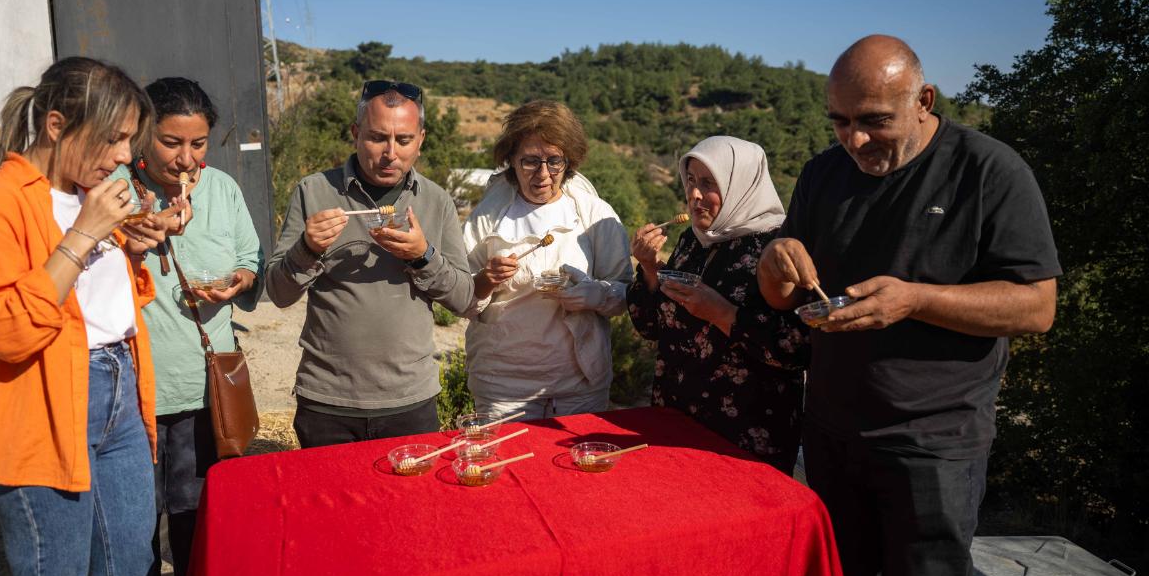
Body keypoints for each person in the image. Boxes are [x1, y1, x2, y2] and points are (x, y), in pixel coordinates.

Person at [756, 35, 1061, 576]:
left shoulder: (988, 170)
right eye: (840, 122)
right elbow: (780, 296)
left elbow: (1036, 307)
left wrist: (915, 300)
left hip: (934, 444)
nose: (855, 140)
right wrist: (776, 263)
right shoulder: (824, 173)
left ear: (924, 99)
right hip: (831, 431)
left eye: (874, 121)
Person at [0, 57, 168, 576]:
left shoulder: (90, 195)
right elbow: (0, 330)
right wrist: (82, 237)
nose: (124, 156)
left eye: (128, 140)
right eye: (114, 139)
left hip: (120, 388)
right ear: (56, 125)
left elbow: (103, 308)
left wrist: (130, 252)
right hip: (40, 409)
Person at [266, 80, 475, 448]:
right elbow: (278, 294)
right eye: (378, 137)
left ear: (421, 139)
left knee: (407, 507)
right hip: (328, 400)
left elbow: (463, 299)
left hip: (409, 400)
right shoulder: (314, 191)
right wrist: (307, 248)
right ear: (356, 134)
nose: (390, 152)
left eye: (404, 140)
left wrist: (422, 255)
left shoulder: (436, 201)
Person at [122, 77, 263, 576]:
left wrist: (236, 283)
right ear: (140, 136)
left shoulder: (221, 188)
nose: (186, 160)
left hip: (204, 390)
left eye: (198, 144)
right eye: (171, 143)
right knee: (134, 523)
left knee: (195, 516)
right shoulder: (113, 188)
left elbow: (251, 259)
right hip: (132, 391)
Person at [627, 136, 808, 473]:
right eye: (691, 181)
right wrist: (650, 268)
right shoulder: (692, 242)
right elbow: (650, 327)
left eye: (708, 183)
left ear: (741, 184)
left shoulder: (779, 248)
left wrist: (722, 313)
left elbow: (795, 348)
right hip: (676, 421)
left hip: (744, 437)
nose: (694, 195)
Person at [462, 100, 632, 419]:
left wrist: (597, 294)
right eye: (530, 161)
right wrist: (486, 280)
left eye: (554, 161)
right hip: (503, 388)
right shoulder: (486, 219)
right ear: (511, 160)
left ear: (570, 161)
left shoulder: (595, 216)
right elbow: (461, 301)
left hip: (579, 387)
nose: (543, 174)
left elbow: (626, 296)